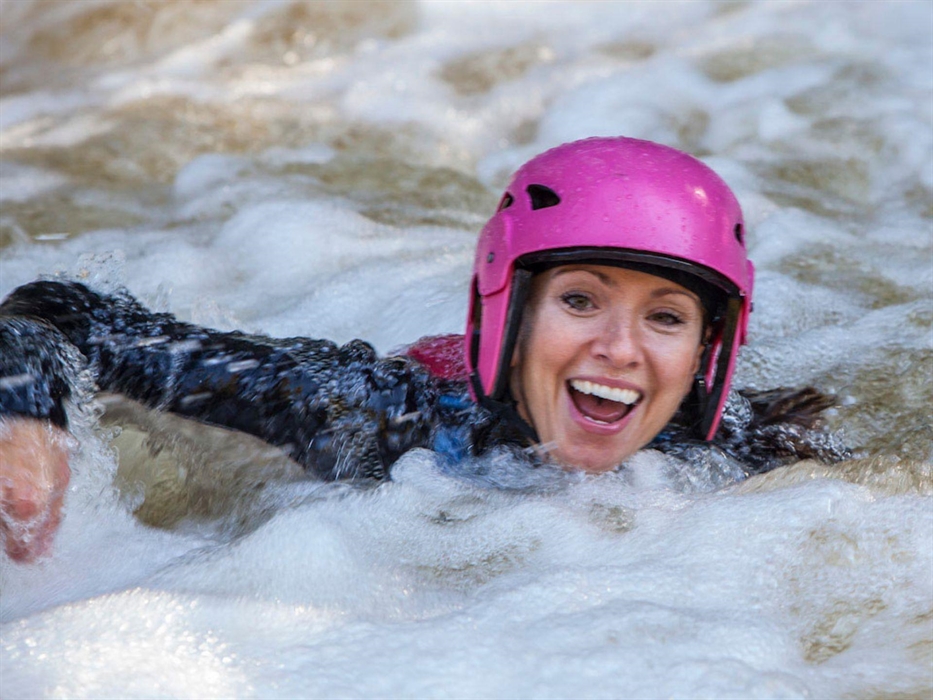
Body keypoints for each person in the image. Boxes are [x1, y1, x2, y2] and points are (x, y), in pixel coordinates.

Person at [0, 137, 849, 562]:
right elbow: (56, 311)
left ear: (709, 346)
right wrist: (27, 416)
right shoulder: (374, 413)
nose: (619, 348)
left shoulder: (736, 448)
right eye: (580, 301)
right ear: (507, 311)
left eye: (665, 318)